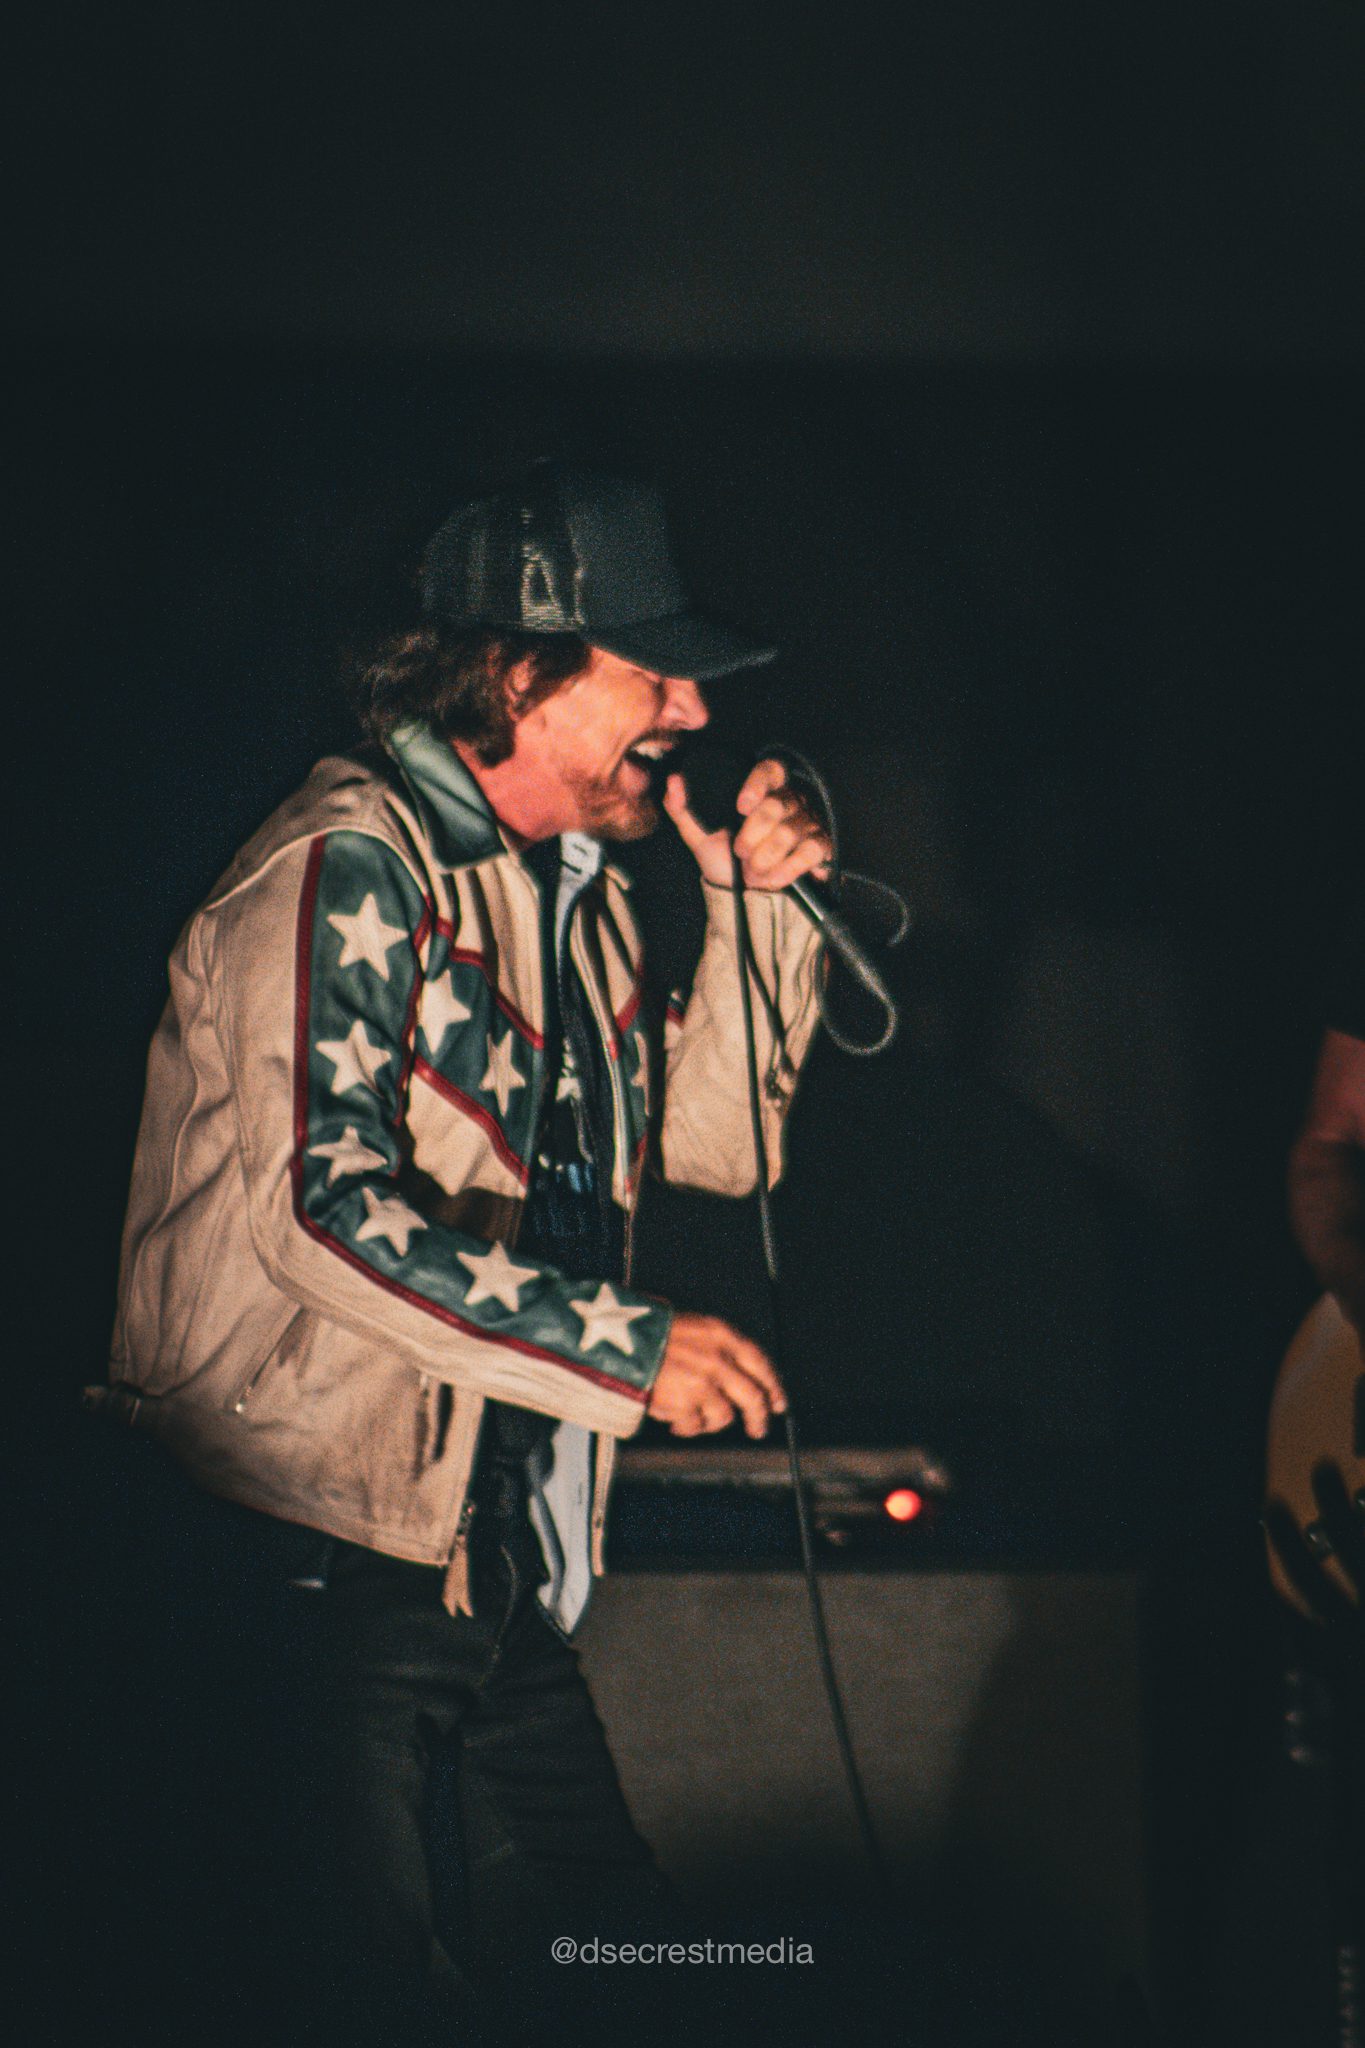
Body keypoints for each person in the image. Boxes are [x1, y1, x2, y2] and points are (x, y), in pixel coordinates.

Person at [98, 463, 831, 2034]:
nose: (691, 712)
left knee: (635, 1969)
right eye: (653, 671)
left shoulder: (584, 903)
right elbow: (319, 1210)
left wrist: (752, 913)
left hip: (477, 1582)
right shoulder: (347, 865)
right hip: (302, 1573)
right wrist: (627, 1350)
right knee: (354, 1992)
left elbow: (713, 1151)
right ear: (520, 672)